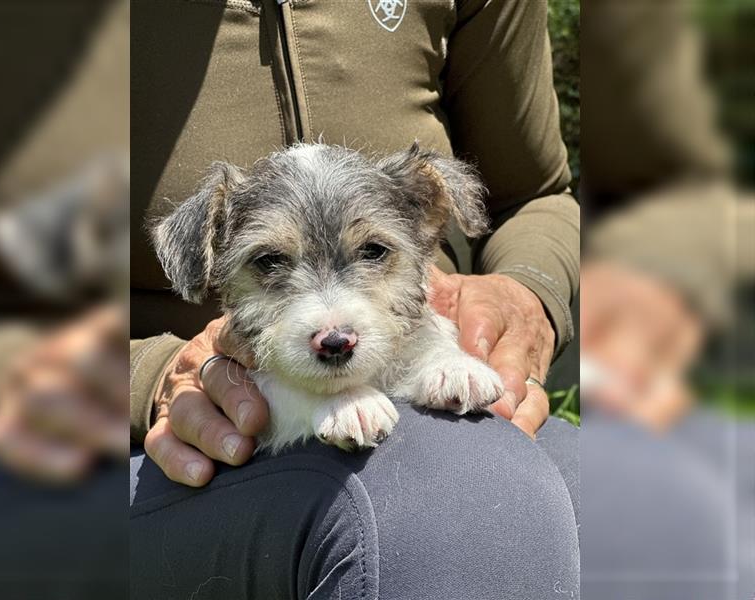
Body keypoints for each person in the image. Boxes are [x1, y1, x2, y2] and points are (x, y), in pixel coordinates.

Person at [130, 1, 580, 598]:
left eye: (373, 253)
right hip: (152, 454)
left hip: (433, 405)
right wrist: (149, 373)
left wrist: (523, 292)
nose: (332, 322)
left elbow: (537, 192)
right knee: (447, 502)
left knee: (654, 502)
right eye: (270, 263)